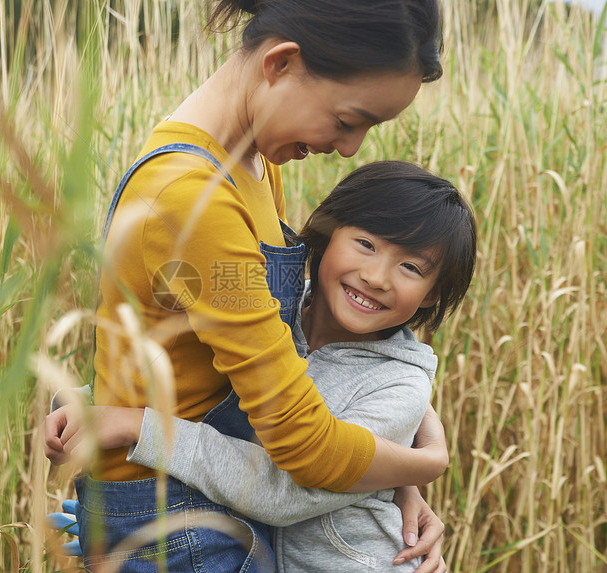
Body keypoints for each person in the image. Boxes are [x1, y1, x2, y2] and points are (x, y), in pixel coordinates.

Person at [45, 0, 450, 570]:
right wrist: (427, 460)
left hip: (213, 498)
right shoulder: (193, 200)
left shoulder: (253, 164)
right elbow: (302, 443)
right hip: (174, 525)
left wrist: (399, 473)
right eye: (346, 120)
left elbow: (273, 357)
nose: (351, 148)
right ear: (281, 64)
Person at [79, 161, 477, 571]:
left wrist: (142, 427)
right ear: (326, 232)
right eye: (366, 244)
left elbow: (285, 492)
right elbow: (199, 382)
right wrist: (89, 401)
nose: (377, 277)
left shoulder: (397, 388)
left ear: (432, 296)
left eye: (411, 267)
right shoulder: (270, 313)